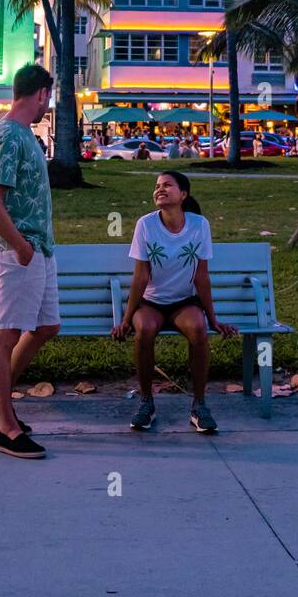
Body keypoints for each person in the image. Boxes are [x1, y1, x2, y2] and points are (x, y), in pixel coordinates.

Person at [112, 171, 238, 434]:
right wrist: (126, 319)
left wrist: (213, 318)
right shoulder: (145, 225)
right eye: (157, 186)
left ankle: (199, 405)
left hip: (184, 301)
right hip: (151, 302)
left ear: (183, 194)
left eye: (167, 185)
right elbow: (141, 276)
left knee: (199, 328)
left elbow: (202, 276)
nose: (160, 189)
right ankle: (147, 402)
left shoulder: (199, 225)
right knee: (144, 329)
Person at [0, 63, 60, 460]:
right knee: (5, 335)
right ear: (42, 93)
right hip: (18, 254)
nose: (49, 103)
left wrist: (35, 249)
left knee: (47, 325)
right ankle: (6, 430)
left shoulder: (26, 134)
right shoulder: (8, 135)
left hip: (38, 251)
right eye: (50, 96)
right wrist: (21, 248)